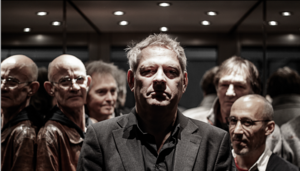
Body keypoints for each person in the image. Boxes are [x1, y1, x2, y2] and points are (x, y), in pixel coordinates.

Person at [77, 34, 232, 171]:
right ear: (131, 80)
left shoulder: (214, 142)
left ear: (184, 82)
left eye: (171, 71)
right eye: (148, 71)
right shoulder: (100, 138)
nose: (159, 79)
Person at [36, 54, 91, 171]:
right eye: (65, 81)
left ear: (88, 82)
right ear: (50, 88)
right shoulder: (49, 134)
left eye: (80, 79)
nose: (75, 87)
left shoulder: (93, 124)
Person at [229, 94, 298, 171]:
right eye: (233, 121)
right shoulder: (216, 163)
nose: (237, 131)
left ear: (269, 128)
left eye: (247, 122)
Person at [1, 55, 42, 171]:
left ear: (32, 88)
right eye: (0, 79)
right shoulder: (6, 122)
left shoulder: (25, 134)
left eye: (12, 81)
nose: (2, 87)